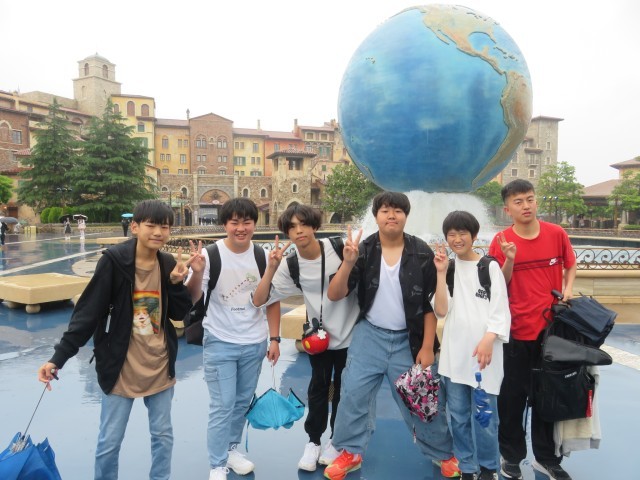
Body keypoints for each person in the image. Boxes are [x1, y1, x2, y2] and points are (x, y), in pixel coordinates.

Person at [37, 200, 193, 480]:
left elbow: (179, 313)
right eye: (151, 225)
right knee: (110, 441)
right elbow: (88, 313)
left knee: (163, 435)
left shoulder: (168, 263)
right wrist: (58, 358)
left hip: (159, 364)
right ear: (135, 227)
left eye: (165, 226)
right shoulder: (114, 262)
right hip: (120, 367)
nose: (158, 232)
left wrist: (175, 283)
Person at [324, 191, 460, 480]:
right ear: (376, 216)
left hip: (409, 340)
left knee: (423, 400)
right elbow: (335, 294)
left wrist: (427, 346)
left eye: (398, 211)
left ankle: (442, 453)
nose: (391, 216)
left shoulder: (421, 252)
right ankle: (350, 452)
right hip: (370, 335)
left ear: (406, 216)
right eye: (385, 210)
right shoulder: (363, 250)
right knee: (353, 395)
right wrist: (347, 263)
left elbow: (428, 305)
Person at [251, 204, 360, 472]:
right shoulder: (291, 264)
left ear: (315, 226)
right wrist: (271, 268)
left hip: (352, 336)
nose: (299, 231)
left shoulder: (338, 248)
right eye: (292, 227)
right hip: (319, 338)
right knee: (318, 388)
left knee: (345, 392)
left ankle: (337, 440)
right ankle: (314, 441)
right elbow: (260, 300)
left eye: (304, 224)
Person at [185, 198, 281, 480]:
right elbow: (193, 297)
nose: (241, 228)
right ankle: (217, 464)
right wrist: (197, 273)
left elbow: (270, 301)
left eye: (246, 222)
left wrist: (275, 339)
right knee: (222, 405)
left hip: (254, 342)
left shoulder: (264, 256)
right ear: (225, 224)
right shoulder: (211, 255)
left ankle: (231, 449)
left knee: (241, 402)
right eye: (234, 222)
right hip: (220, 340)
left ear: (254, 224)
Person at [489, 179, 576, 480]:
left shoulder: (556, 233)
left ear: (536, 201)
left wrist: (567, 290)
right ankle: (511, 455)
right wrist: (510, 259)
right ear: (507, 209)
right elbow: (498, 284)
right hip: (515, 331)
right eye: (518, 202)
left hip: (551, 333)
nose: (525, 206)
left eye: (529, 199)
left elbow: (570, 264)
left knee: (548, 396)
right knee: (511, 398)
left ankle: (546, 458)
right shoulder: (501, 240)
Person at [432, 211, 511, 480]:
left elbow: (500, 308)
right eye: (451, 234)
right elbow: (441, 310)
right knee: (458, 417)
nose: (457, 239)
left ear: (474, 236)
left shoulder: (488, 267)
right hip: (454, 358)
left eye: (462, 233)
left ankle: (488, 468)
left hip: (483, 358)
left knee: (485, 417)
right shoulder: (449, 269)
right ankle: (467, 467)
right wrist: (440, 273)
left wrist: (489, 338)